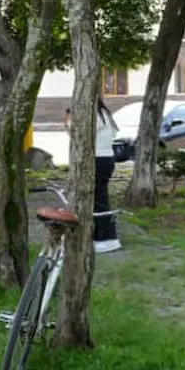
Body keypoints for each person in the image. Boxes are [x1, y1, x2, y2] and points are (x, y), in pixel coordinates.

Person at [66, 99, 122, 254]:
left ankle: (107, 238)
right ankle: (102, 235)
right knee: (100, 197)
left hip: (97, 159)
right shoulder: (105, 114)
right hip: (107, 158)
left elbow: (79, 134)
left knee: (99, 200)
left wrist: (69, 120)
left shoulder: (93, 116)